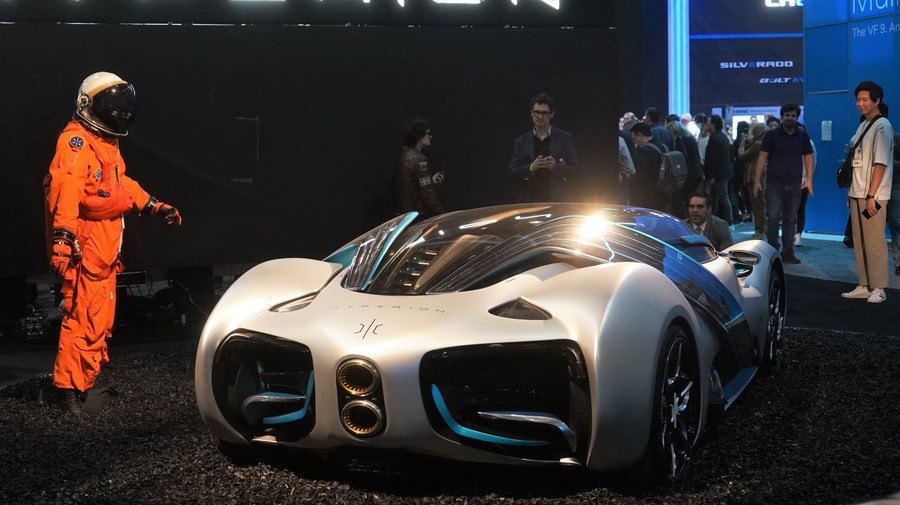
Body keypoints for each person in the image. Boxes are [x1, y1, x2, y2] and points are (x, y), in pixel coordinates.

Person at [45, 72, 182, 417]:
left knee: (98, 321)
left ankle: (83, 385)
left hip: (103, 251)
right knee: (82, 319)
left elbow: (119, 185)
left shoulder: (104, 143)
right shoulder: (76, 143)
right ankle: (66, 393)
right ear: (88, 105)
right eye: (112, 106)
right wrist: (63, 238)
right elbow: (66, 190)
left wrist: (153, 205)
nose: (119, 113)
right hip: (86, 248)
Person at [841, 81, 894, 303]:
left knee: (874, 241)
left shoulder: (883, 126)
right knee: (860, 240)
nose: (860, 104)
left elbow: (880, 163)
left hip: (874, 195)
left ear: (877, 100)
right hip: (857, 193)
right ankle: (863, 284)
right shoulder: (863, 125)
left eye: (865, 100)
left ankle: (879, 288)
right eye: (858, 100)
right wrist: (851, 192)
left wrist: (872, 195)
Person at [752, 103, 813, 264]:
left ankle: (788, 253)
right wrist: (757, 181)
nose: (790, 118)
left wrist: (809, 180)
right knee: (772, 217)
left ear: (797, 117)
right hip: (774, 184)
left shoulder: (803, 136)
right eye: (787, 115)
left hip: (795, 184)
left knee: (790, 219)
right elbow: (762, 158)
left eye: (793, 116)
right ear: (782, 116)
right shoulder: (771, 135)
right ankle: (772, 251)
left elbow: (808, 157)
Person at [508, 93, 579, 202]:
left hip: (556, 200)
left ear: (552, 114)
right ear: (531, 113)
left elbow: (576, 171)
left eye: (544, 113)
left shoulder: (564, 138)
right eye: (536, 112)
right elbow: (511, 172)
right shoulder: (521, 141)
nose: (540, 116)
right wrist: (531, 167)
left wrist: (556, 167)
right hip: (528, 200)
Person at [397, 119, 444, 219]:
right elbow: (427, 193)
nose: (430, 136)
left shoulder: (404, 155)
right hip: (418, 215)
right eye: (428, 133)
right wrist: (441, 213)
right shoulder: (419, 159)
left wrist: (431, 181)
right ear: (419, 136)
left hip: (407, 214)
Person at [737, 122, 768, 240]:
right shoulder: (763, 143)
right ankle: (764, 228)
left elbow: (742, 156)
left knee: (757, 205)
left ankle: (760, 230)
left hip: (754, 176)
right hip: (760, 175)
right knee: (760, 204)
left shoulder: (758, 144)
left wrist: (742, 143)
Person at [703, 114, 734, 225]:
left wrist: (711, 176)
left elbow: (713, 159)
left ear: (713, 124)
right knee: (719, 197)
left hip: (717, 175)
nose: (706, 125)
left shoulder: (714, 138)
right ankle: (721, 220)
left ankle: (728, 221)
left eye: (708, 122)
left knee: (721, 197)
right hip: (724, 173)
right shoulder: (723, 136)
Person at [629, 122, 665, 210]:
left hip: (649, 194)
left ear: (640, 135)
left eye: (634, 137)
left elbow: (642, 174)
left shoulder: (645, 151)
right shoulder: (661, 146)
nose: (634, 141)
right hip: (663, 188)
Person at [889, 132, 900, 275]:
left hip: (895, 186)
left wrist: (888, 162)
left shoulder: (896, 138)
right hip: (877, 189)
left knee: (896, 223)